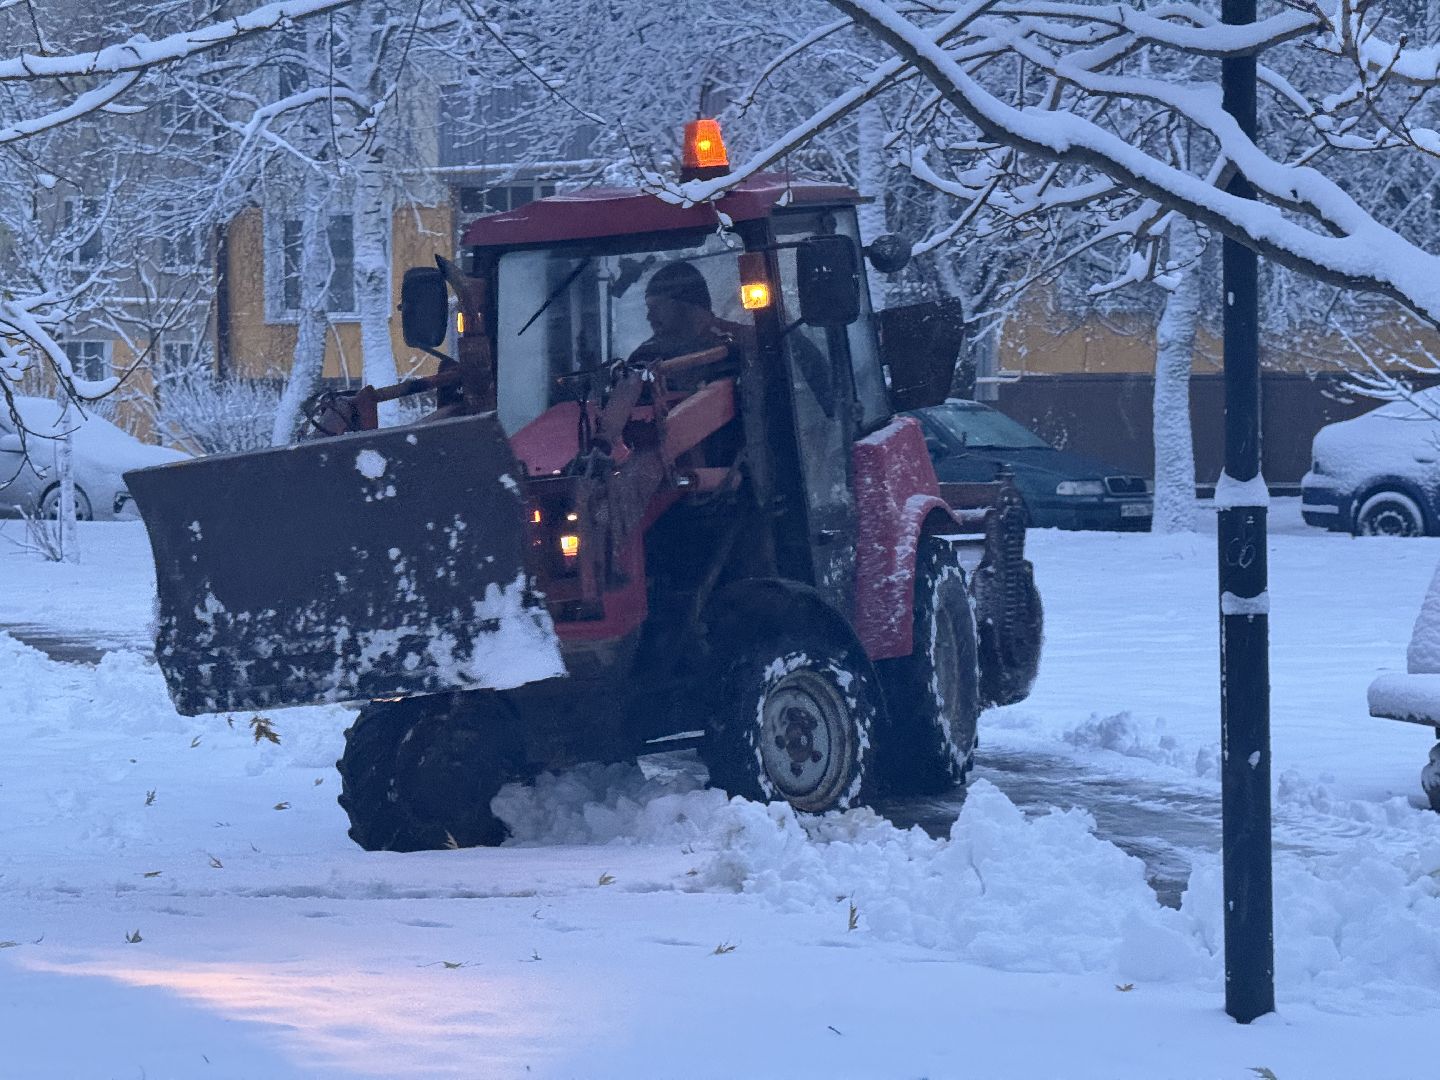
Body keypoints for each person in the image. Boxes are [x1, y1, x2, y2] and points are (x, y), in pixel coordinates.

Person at [626, 261, 744, 370]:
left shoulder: (746, 341)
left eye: (656, 308)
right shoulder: (644, 358)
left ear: (689, 307)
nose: (649, 317)